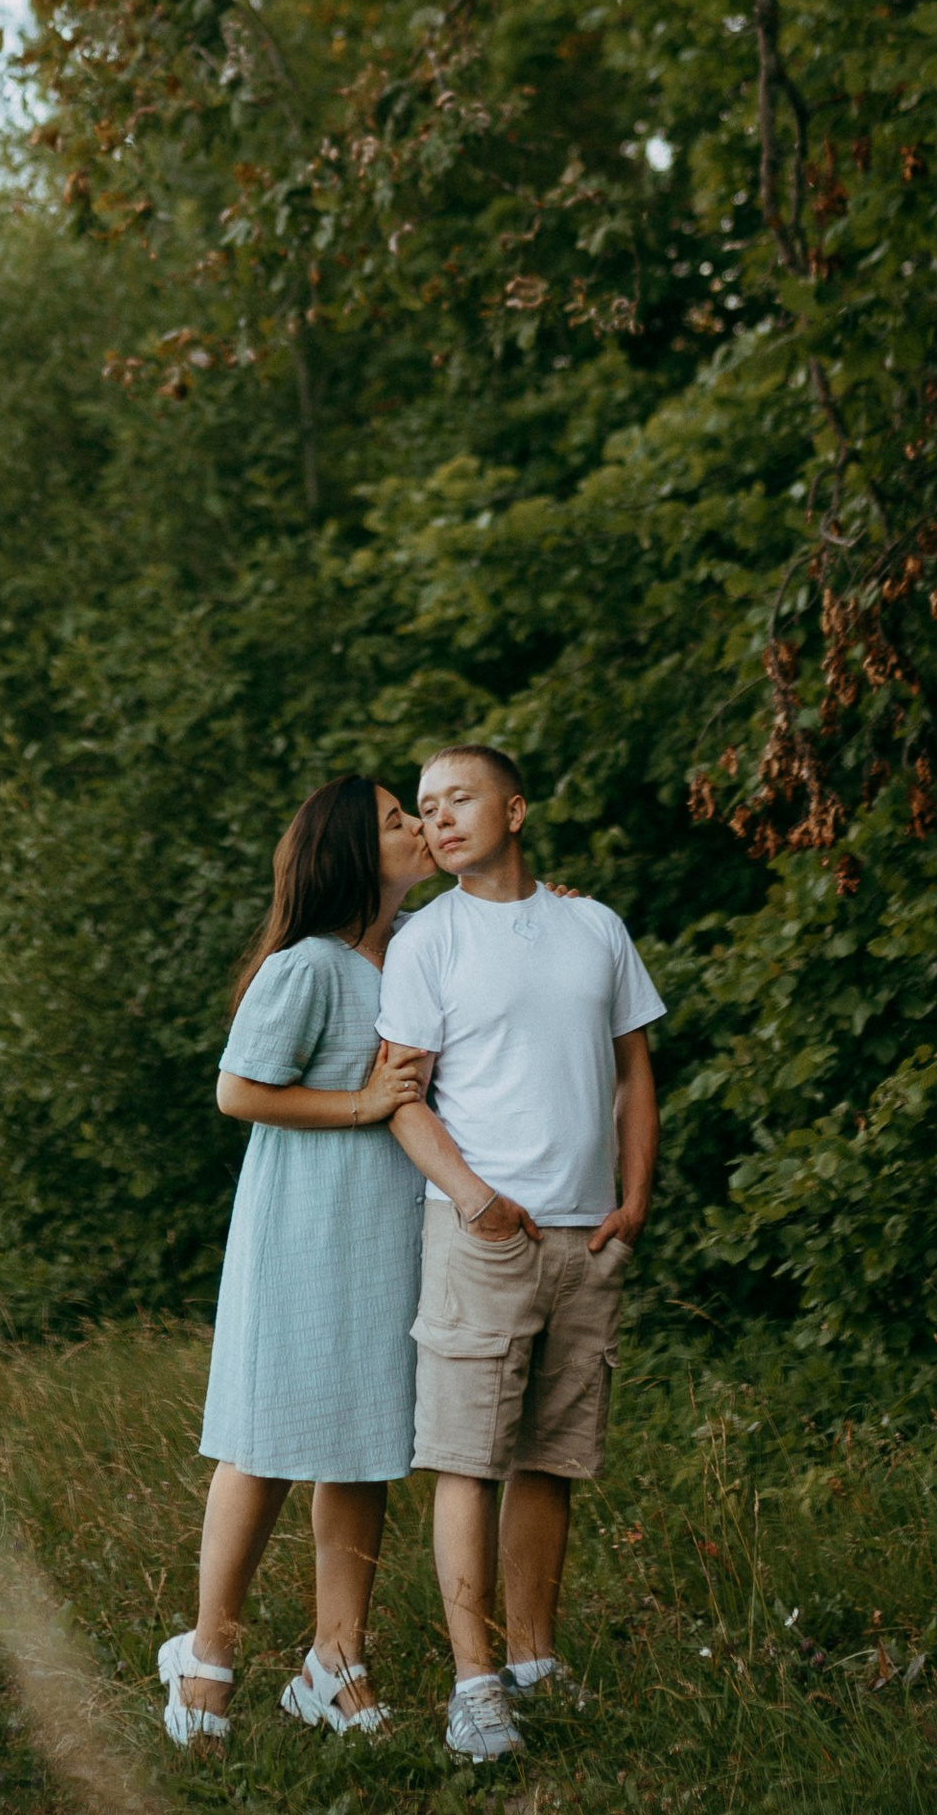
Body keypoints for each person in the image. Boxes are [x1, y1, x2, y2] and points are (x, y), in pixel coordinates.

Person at [378, 744, 664, 1763]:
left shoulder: (594, 926)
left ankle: (536, 1662)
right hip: (483, 1238)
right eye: (424, 808)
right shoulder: (428, 942)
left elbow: (634, 1069)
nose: (440, 818)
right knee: (467, 1459)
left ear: (515, 808)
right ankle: (475, 1685)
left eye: (458, 799)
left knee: (552, 1458)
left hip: (586, 1236)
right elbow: (400, 1096)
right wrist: (474, 1201)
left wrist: (631, 1200)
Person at [156, 776, 433, 1748]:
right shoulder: (309, 966)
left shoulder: (411, 954)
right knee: (265, 1442)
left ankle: (335, 1660)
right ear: (357, 852)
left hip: (385, 1237)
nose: (418, 828)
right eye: (399, 820)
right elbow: (237, 1090)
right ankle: (207, 1657)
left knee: (367, 1442)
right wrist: (359, 1103)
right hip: (300, 1235)